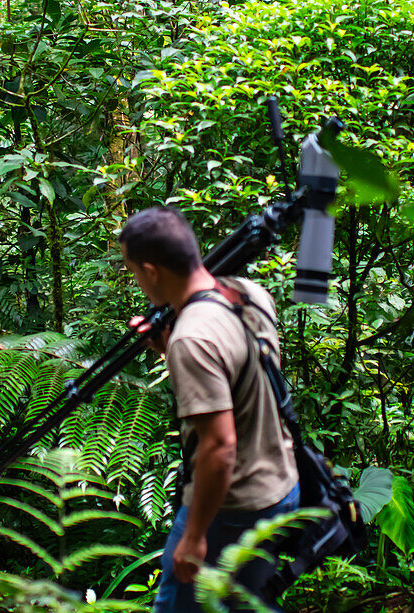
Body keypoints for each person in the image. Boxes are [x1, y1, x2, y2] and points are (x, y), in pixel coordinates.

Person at [118, 206, 299, 613]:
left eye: (134, 271)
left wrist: (195, 536)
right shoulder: (248, 293)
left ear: (151, 270)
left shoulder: (192, 338)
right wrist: (171, 345)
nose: (137, 281)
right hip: (281, 484)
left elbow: (220, 445)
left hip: (233, 505)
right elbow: (244, 376)